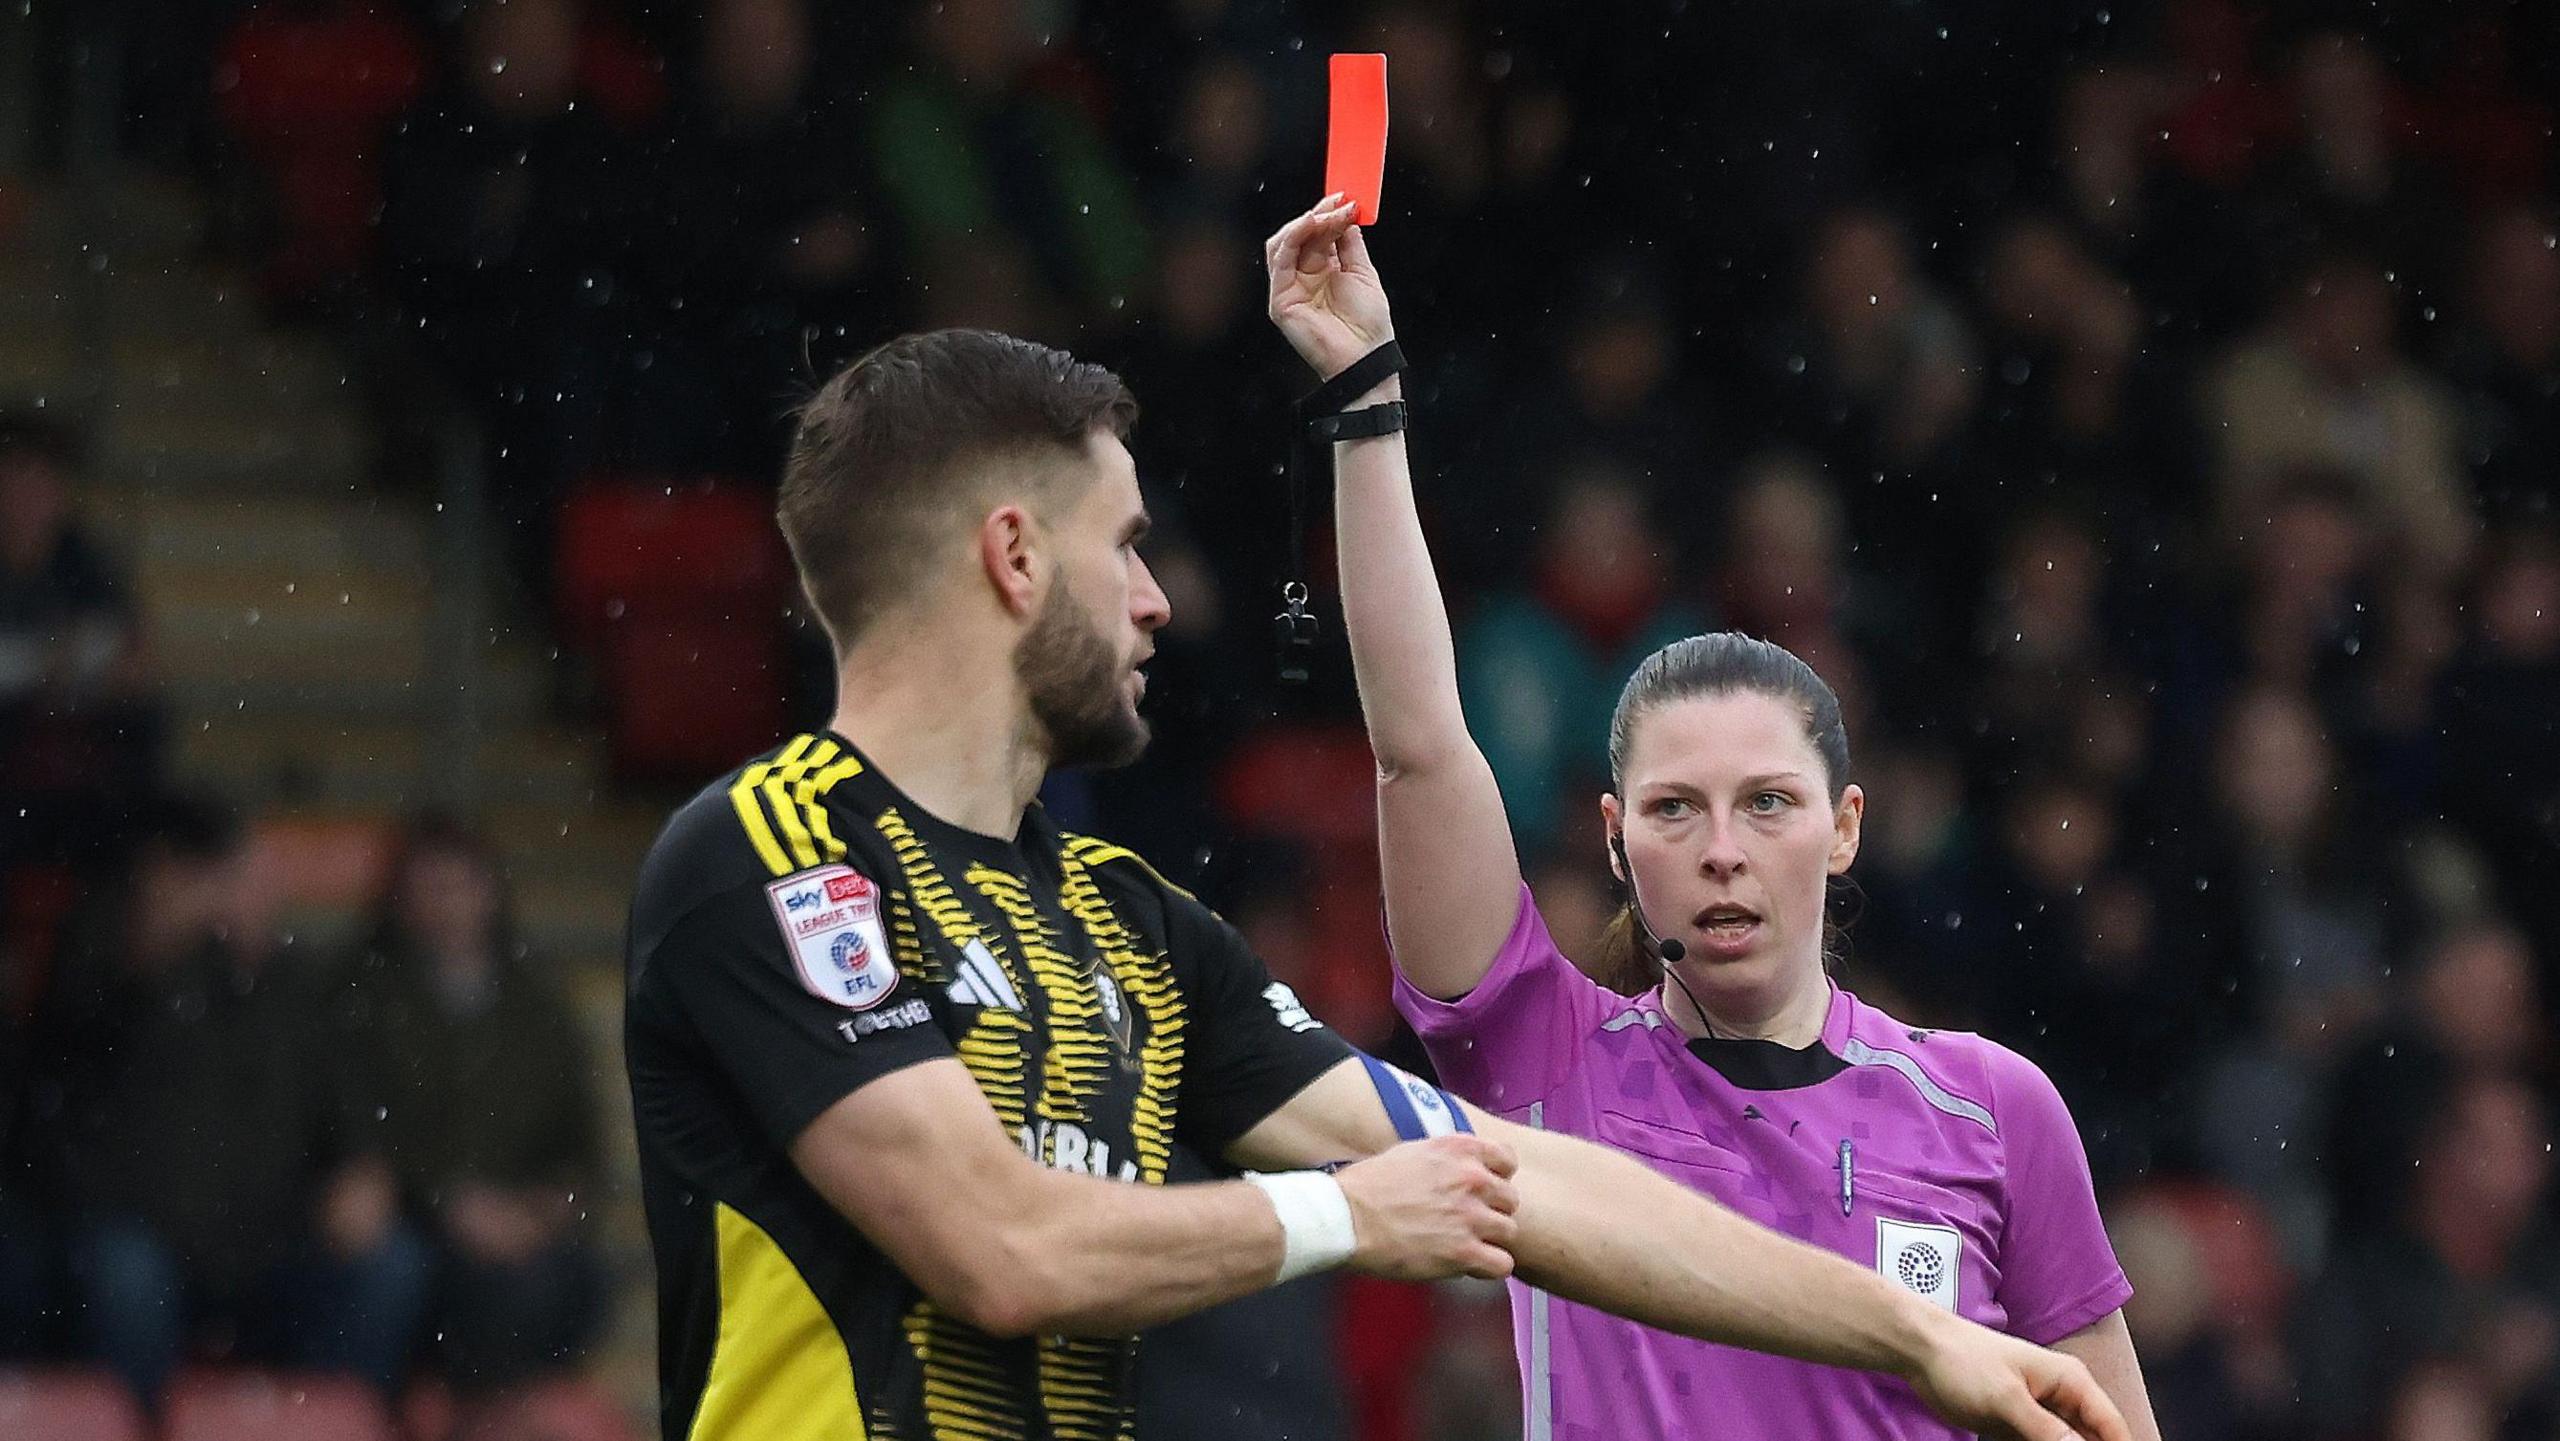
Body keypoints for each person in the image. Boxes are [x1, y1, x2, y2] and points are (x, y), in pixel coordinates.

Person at [623, 237, 2129, 1441]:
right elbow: (1003, 1250)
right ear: (1013, 555)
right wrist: (1334, 1214)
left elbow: (1511, 1178)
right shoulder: (765, 859)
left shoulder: (1124, 923)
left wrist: (1923, 1332)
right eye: (1129, 544)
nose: (1156, 599)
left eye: (1769, 804)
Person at [1263, 194, 2162, 1440]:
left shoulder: (1994, 1109)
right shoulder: (1541, 1058)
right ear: (1616, 838)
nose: (1723, 848)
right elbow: (1418, 742)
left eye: (1769, 804)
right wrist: (1364, 397)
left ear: (1844, 828)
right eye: (1674, 808)